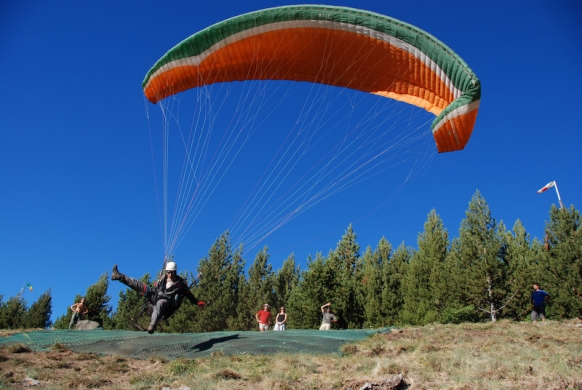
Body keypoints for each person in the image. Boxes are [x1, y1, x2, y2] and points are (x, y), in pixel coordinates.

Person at [111, 261, 205, 334]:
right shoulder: (163, 278)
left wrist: (196, 302)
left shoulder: (181, 284)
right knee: (140, 286)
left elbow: (189, 294)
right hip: (156, 296)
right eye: (168, 273)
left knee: (160, 304)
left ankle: (152, 326)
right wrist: (157, 285)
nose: (170, 275)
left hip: (167, 303)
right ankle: (118, 276)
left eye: (172, 273)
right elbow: (156, 288)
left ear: (175, 272)